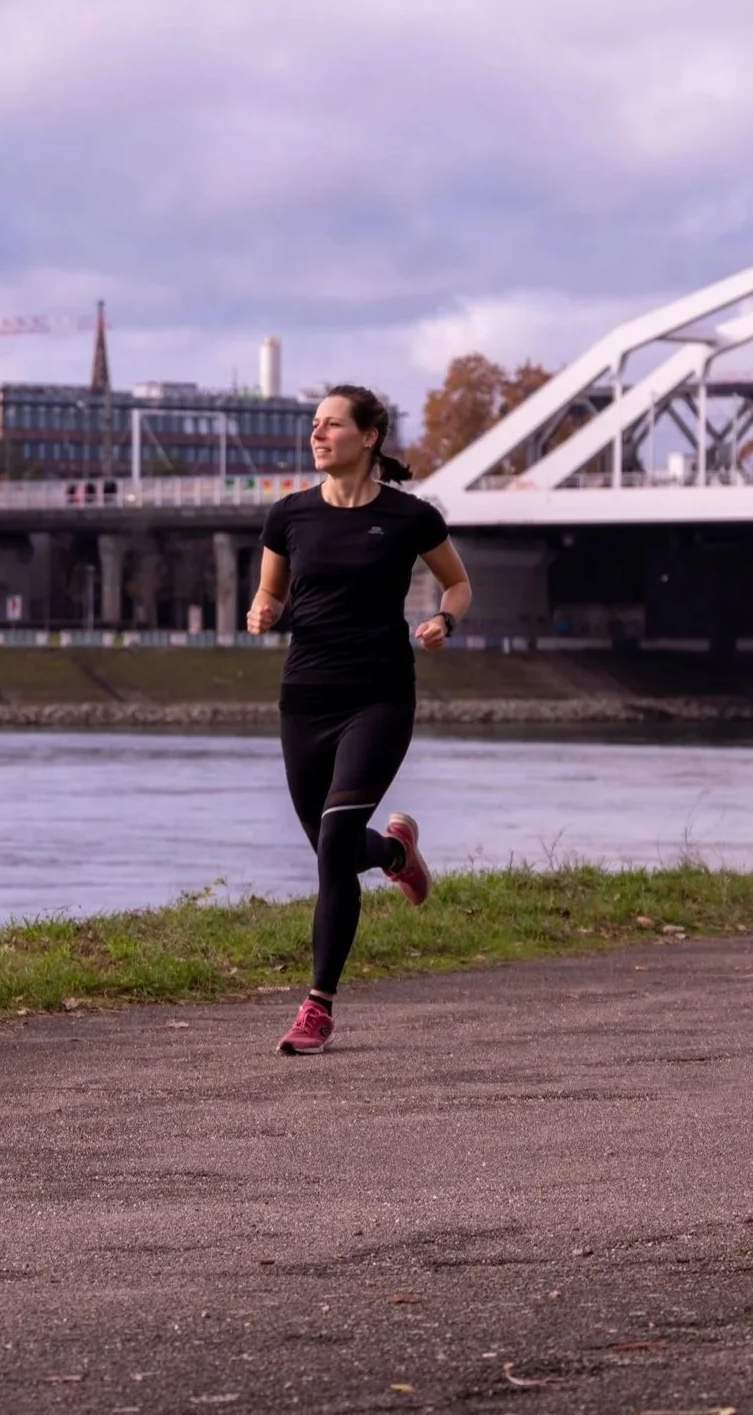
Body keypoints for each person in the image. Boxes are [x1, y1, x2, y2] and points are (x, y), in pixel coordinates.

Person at [247, 384, 472, 1055]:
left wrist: (443, 619)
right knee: (332, 849)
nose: (317, 435)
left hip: (378, 698)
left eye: (332, 425)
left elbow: (456, 582)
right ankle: (397, 852)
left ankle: (317, 1008)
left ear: (368, 437)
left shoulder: (410, 517)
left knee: (334, 847)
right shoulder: (288, 515)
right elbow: (270, 588)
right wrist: (263, 610)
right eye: (314, 425)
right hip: (306, 698)